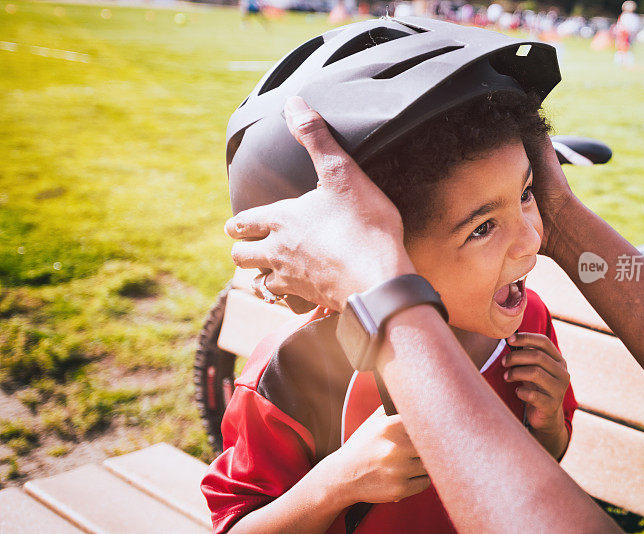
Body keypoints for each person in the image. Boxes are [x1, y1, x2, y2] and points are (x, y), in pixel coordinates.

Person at [203, 18, 589, 534]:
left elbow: (535, 484)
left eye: (525, 194)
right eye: (481, 228)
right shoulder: (293, 370)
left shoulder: (527, 321)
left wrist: (546, 431)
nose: (532, 239)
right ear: (370, 248)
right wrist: (337, 483)